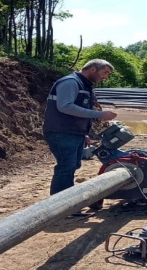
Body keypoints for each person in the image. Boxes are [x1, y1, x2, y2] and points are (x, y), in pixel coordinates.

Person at [43, 59, 118, 195]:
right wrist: (99, 114)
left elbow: (79, 109)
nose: (105, 77)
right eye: (105, 72)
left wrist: (83, 133)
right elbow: (65, 106)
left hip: (73, 132)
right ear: (93, 69)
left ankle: (65, 202)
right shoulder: (70, 82)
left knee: (73, 165)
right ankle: (61, 205)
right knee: (66, 167)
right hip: (61, 132)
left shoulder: (84, 85)